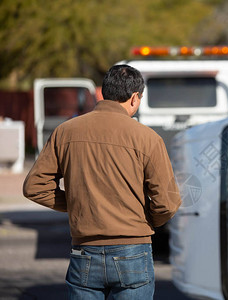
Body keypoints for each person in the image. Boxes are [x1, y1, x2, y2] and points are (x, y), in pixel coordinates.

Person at [23, 64, 181, 299]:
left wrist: (81, 204)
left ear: (104, 93)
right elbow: (167, 203)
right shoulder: (148, 138)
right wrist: (143, 219)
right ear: (135, 98)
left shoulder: (65, 132)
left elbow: (34, 187)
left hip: (84, 251)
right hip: (133, 251)